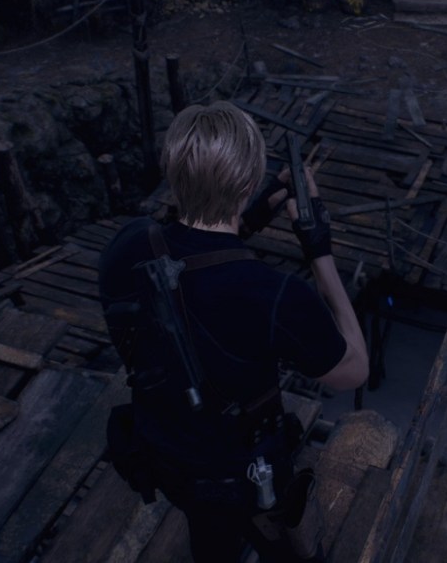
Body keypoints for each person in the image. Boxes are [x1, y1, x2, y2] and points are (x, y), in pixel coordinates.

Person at [98, 101, 369, 562]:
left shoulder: (126, 245)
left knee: (210, 540)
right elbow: (353, 370)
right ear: (246, 183)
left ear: (173, 170)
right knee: (280, 544)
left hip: (163, 450)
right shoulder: (275, 295)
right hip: (242, 475)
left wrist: (255, 213)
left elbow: (193, 254)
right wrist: (319, 252)